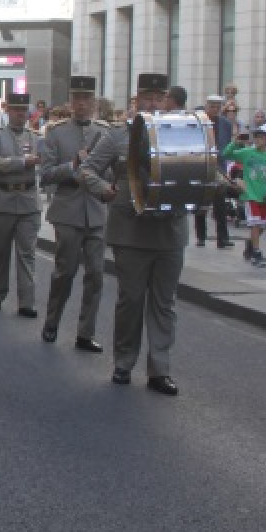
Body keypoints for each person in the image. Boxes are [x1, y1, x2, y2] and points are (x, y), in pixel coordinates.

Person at [81, 73, 186, 396]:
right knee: (131, 300)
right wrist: (104, 190)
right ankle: (124, 362)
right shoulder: (117, 136)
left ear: (166, 100)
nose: (154, 103)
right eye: (147, 97)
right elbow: (87, 170)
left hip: (170, 229)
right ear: (136, 99)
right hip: (131, 229)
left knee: (164, 303)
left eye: (159, 97)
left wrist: (220, 186)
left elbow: (205, 166)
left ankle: (159, 370)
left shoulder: (181, 133)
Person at [38, 76, 110, 351]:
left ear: (94, 102)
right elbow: (45, 174)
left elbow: (112, 172)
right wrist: (73, 165)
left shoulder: (105, 133)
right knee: (64, 272)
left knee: (96, 275)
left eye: (87, 99)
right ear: (71, 101)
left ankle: (85, 332)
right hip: (67, 211)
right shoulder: (56, 133)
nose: (82, 104)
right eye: (77, 98)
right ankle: (52, 321)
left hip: (96, 211)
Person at [0, 92, 41, 319]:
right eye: (16, 110)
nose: (20, 114)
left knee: (27, 253)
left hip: (28, 201)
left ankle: (27, 301)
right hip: (2, 201)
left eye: (24, 110)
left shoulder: (34, 137)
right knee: (0, 251)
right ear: (8, 111)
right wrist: (21, 162)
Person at [222, 129, 266, 267]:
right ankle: (256, 252)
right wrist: (234, 143)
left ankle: (251, 244)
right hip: (251, 194)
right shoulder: (247, 152)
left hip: (265, 195)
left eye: (261, 138)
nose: (258, 141)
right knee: (255, 224)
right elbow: (227, 154)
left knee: (261, 227)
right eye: (256, 138)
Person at [196, 94, 236, 248]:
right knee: (202, 203)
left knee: (220, 204)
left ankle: (222, 238)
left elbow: (226, 145)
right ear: (206, 107)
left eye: (217, 107)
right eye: (212, 106)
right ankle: (201, 236)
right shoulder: (200, 122)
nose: (214, 109)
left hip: (219, 166)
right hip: (203, 166)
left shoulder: (225, 123)